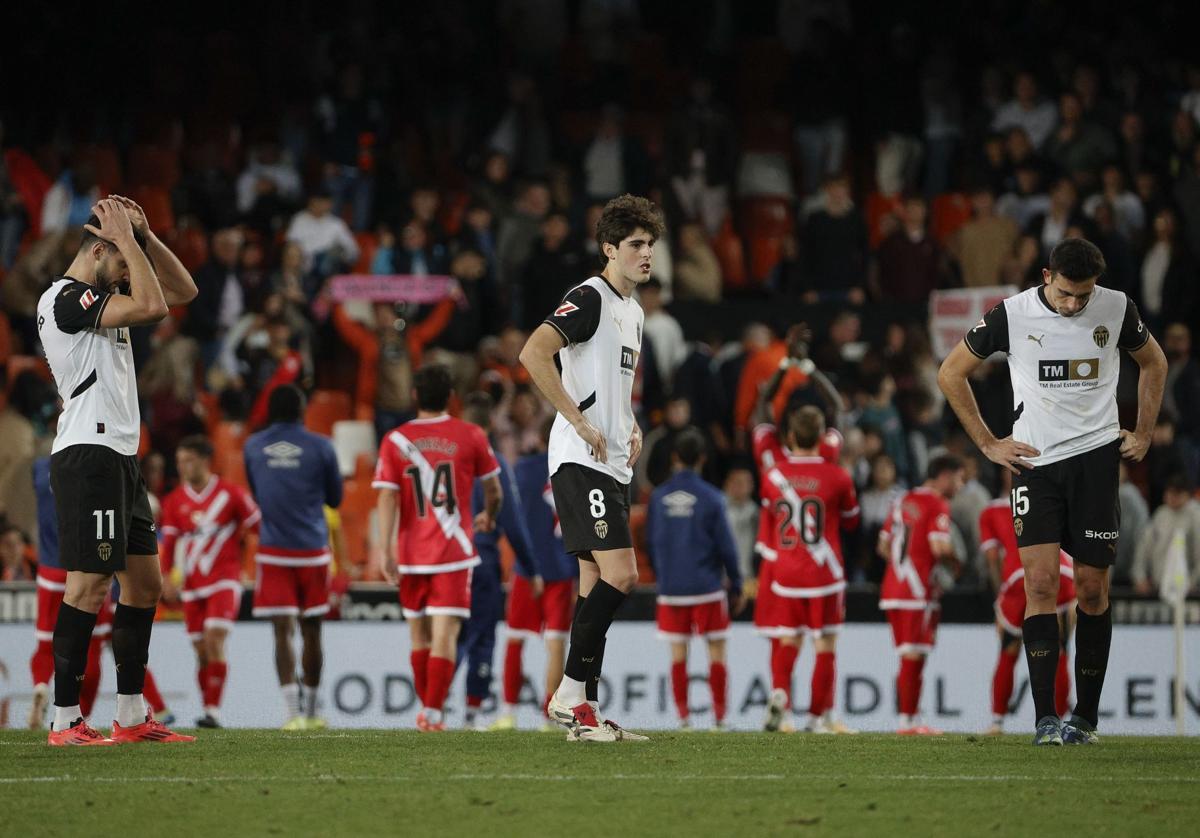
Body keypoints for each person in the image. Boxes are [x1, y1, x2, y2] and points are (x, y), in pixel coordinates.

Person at [938, 237, 1167, 745]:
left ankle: (1084, 717)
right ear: (1047, 276)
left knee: (1091, 589)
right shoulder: (1011, 314)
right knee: (1039, 585)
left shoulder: (1117, 306)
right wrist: (987, 443)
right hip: (1036, 464)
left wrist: (1144, 432)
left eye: (1083, 296)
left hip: (1097, 461)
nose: (1073, 304)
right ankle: (1044, 718)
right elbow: (951, 372)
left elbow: (1155, 362)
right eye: (1065, 293)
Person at [37, 196, 197, 746]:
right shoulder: (64, 299)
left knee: (145, 585)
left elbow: (182, 293)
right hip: (90, 454)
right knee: (87, 585)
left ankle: (130, 715)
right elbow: (155, 308)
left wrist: (145, 239)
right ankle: (64, 718)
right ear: (100, 249)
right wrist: (127, 243)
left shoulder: (101, 295)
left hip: (119, 458)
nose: (130, 275)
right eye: (122, 262)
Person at [519, 193, 664, 742]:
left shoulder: (635, 310)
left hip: (614, 460)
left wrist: (629, 422)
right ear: (610, 249)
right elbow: (533, 353)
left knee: (592, 585)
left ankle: (586, 713)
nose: (645, 254)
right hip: (581, 459)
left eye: (650, 244)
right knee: (623, 575)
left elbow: (613, 383)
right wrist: (578, 423)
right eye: (635, 245)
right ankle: (567, 692)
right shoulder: (591, 297)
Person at [373, 365, 502, 732]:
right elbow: (494, 491)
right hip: (453, 552)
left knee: (419, 637)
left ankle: (428, 712)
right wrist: (489, 516)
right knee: (445, 635)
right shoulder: (471, 434)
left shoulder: (394, 439)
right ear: (451, 397)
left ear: (414, 396)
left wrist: (385, 549)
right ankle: (432, 713)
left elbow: (386, 496)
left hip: (410, 553)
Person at [245, 385, 344, 730]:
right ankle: (314, 712)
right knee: (312, 630)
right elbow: (335, 499)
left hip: (273, 550)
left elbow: (258, 492)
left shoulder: (253, 447)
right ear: (303, 411)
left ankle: (292, 715)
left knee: (281, 632)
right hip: (313, 551)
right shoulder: (322, 447)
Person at [759, 408, 860, 735]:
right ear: (821, 437)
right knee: (825, 645)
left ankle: (782, 702)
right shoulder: (838, 475)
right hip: (824, 574)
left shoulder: (773, 476)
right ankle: (819, 718)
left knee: (787, 639)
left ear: (790, 437)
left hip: (785, 572)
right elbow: (852, 520)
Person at [159, 435, 261, 728]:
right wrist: (166, 577)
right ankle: (208, 708)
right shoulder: (174, 500)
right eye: (179, 462)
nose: (182, 467)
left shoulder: (231, 494)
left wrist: (259, 564)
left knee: (215, 638)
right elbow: (171, 542)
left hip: (224, 579)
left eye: (188, 460)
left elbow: (258, 527)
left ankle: (214, 711)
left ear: (204, 461)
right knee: (201, 650)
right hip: (192, 584)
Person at [646, 429, 743, 731]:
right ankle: (719, 717)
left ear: (675, 458)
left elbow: (652, 541)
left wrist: (664, 576)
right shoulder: (713, 498)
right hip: (707, 587)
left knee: (678, 654)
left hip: (672, 587)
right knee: (716, 650)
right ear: (702, 458)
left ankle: (683, 717)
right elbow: (727, 546)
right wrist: (737, 584)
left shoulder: (658, 498)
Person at [455, 392, 537, 731]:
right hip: (482, 562)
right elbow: (514, 522)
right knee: (482, 637)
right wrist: (530, 568)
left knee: (449, 635)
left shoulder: (447, 462)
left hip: (447, 561)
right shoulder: (496, 464)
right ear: (490, 425)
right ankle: (471, 715)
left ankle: (432, 706)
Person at [496, 418, 578, 731]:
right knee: (556, 643)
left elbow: (512, 518)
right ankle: (549, 716)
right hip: (561, 569)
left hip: (528, 569)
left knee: (515, 638)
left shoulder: (522, 469)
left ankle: (507, 712)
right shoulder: (573, 471)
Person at [980, 470, 1076, 735]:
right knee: (1060, 651)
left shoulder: (990, 512)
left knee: (1008, 651)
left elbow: (991, 558)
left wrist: (1000, 592)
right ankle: (1059, 722)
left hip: (1017, 580)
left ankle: (997, 722)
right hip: (1063, 576)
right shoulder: (1054, 499)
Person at [878, 455, 964, 735]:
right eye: (959, 478)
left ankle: (909, 719)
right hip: (917, 590)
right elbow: (939, 546)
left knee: (908, 655)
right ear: (944, 476)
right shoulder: (937, 503)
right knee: (914, 656)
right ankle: (908, 722)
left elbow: (883, 546)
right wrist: (956, 563)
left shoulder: (901, 500)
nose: (960, 485)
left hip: (893, 587)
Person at [1132, 474, 1200, 595]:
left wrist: (1192, 582)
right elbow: (1143, 549)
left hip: (1188, 590)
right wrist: (1140, 577)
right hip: (1158, 586)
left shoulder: (1195, 515)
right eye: (1169, 492)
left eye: (1176, 493)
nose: (1171, 497)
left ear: (1187, 494)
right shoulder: (1160, 515)